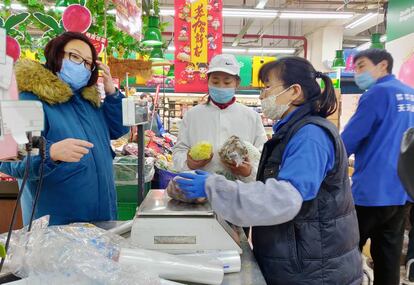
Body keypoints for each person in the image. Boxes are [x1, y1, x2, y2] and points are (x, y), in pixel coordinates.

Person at [175, 57, 363, 284]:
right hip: (299, 259)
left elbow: (284, 199)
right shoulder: (292, 131)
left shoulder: (310, 137)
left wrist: (214, 187)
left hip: (314, 269)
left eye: (267, 87)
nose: (262, 96)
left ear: (294, 91)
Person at [0, 32, 129, 226]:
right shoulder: (28, 98)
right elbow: (11, 158)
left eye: (88, 63)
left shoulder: (88, 102)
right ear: (56, 54)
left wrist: (112, 95)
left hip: (101, 218)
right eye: (75, 57)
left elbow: (117, 130)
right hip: (56, 227)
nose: (82, 66)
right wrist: (50, 152)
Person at [341, 49, 414, 285]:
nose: (357, 73)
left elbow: (349, 140)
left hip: (371, 191)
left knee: (348, 253)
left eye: (361, 66)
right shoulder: (411, 95)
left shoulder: (377, 93)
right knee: (388, 258)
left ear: (383, 65)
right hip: (402, 191)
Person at [173, 54, 267, 181]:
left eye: (227, 82)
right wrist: (188, 163)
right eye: (215, 81)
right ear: (208, 81)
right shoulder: (192, 115)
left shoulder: (252, 117)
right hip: (200, 191)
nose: (221, 87)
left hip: (239, 192)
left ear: (237, 83)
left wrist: (249, 171)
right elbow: (179, 150)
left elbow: (262, 156)